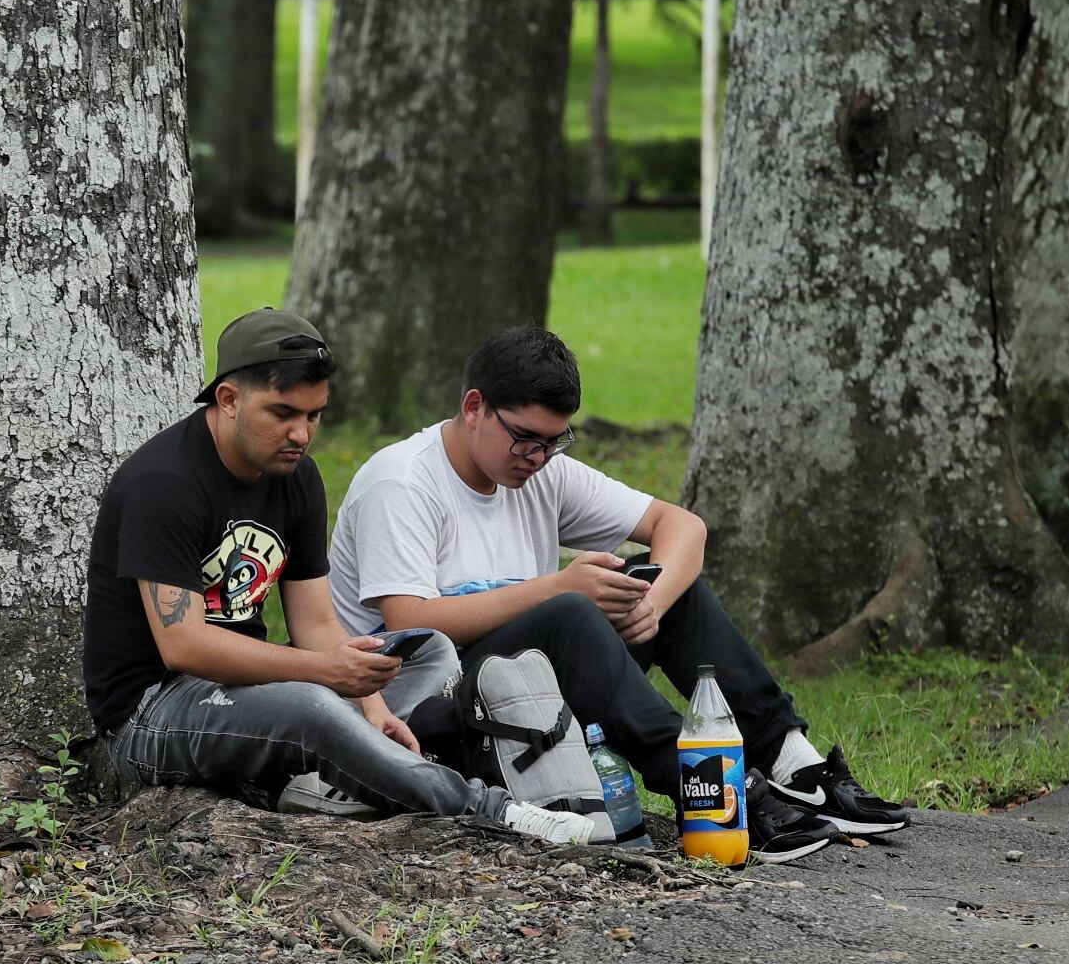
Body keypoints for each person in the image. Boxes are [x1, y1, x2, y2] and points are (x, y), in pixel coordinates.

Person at [328, 325, 912, 864]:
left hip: (531, 702)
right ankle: (706, 792)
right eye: (526, 439)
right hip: (429, 722)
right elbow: (410, 622)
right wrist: (557, 588)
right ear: (474, 407)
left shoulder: (542, 472)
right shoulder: (401, 482)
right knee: (570, 607)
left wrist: (648, 606)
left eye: (555, 442)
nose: (538, 458)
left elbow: (683, 527)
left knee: (656, 583)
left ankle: (791, 763)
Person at [82, 308, 593, 845]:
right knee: (312, 705)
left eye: (315, 415)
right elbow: (182, 645)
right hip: (151, 715)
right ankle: (489, 809)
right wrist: (324, 675)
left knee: (428, 650)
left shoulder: (296, 476)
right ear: (228, 399)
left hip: (245, 689)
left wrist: (369, 703)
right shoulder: (165, 482)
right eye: (282, 413)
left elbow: (317, 622)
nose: (301, 433)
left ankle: (332, 779)